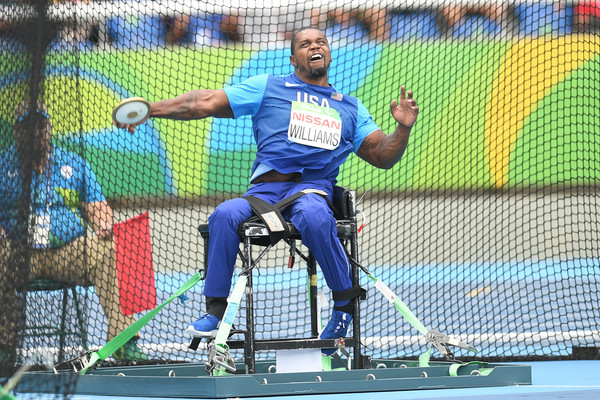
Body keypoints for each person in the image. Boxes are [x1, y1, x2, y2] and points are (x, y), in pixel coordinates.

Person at [114, 27, 419, 355]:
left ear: (328, 53)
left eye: (321, 42)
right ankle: (216, 310)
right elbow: (204, 102)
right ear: (294, 58)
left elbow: (382, 155)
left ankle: (344, 305)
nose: (315, 46)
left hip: (312, 192)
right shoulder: (268, 87)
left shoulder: (350, 109)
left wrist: (402, 128)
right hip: (265, 192)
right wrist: (151, 109)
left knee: (316, 216)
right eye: (305, 44)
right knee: (225, 214)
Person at [0, 100, 148, 370]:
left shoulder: (73, 163)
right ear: (16, 130)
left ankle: (124, 341)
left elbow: (98, 207)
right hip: (19, 253)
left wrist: (103, 223)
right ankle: (4, 347)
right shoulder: (2, 165)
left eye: (41, 126)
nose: (36, 133)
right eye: (28, 127)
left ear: (49, 127)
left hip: (68, 252)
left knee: (111, 247)